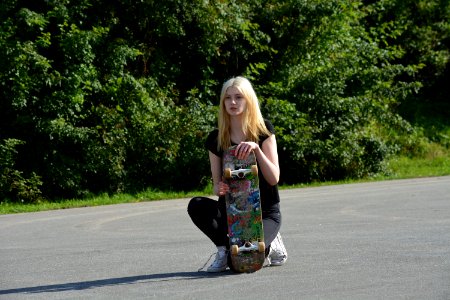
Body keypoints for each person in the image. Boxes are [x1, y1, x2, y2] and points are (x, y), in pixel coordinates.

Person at [187, 76, 288, 272]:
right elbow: (217, 186)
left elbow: (274, 177)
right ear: (223, 102)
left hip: (264, 213)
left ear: (248, 99)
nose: (233, 102)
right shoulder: (216, 138)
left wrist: (256, 150)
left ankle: (272, 241)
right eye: (228, 98)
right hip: (233, 213)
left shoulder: (263, 130)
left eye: (239, 97)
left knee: (243, 264)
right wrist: (219, 187)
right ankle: (224, 250)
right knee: (196, 205)